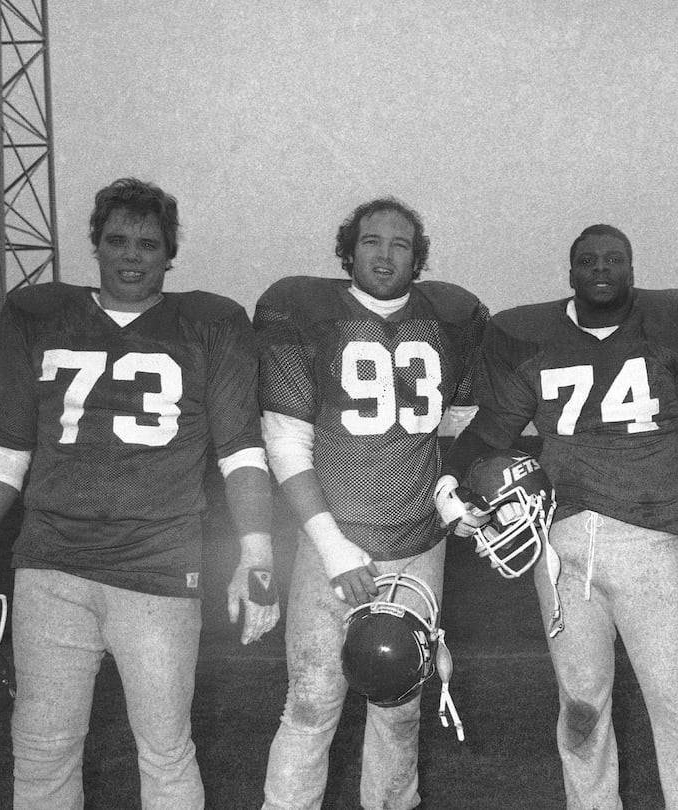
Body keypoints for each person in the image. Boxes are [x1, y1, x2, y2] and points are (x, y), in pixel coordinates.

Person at [0, 177, 280, 809]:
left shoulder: (210, 324)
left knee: (166, 750)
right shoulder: (40, 315)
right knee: (41, 748)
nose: (132, 255)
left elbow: (241, 451)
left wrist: (256, 559)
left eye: (149, 244)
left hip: (160, 573)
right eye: (117, 239)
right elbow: (7, 442)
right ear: (94, 243)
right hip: (52, 567)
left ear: (170, 253)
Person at [438, 224, 678, 810]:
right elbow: (489, 430)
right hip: (559, 549)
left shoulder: (672, 333)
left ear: (633, 268)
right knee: (580, 715)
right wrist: (449, 483)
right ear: (571, 272)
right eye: (588, 261)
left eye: (614, 259)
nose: (601, 269)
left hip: (652, 548)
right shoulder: (533, 342)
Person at [254, 197, 489, 810]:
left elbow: (461, 432)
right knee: (310, 703)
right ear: (348, 249)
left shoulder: (451, 318)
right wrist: (334, 549)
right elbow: (286, 443)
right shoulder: (308, 314)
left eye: (400, 244)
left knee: (400, 708)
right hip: (334, 541)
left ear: (418, 257)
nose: (385, 254)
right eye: (372, 241)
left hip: (417, 544)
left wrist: (452, 493)